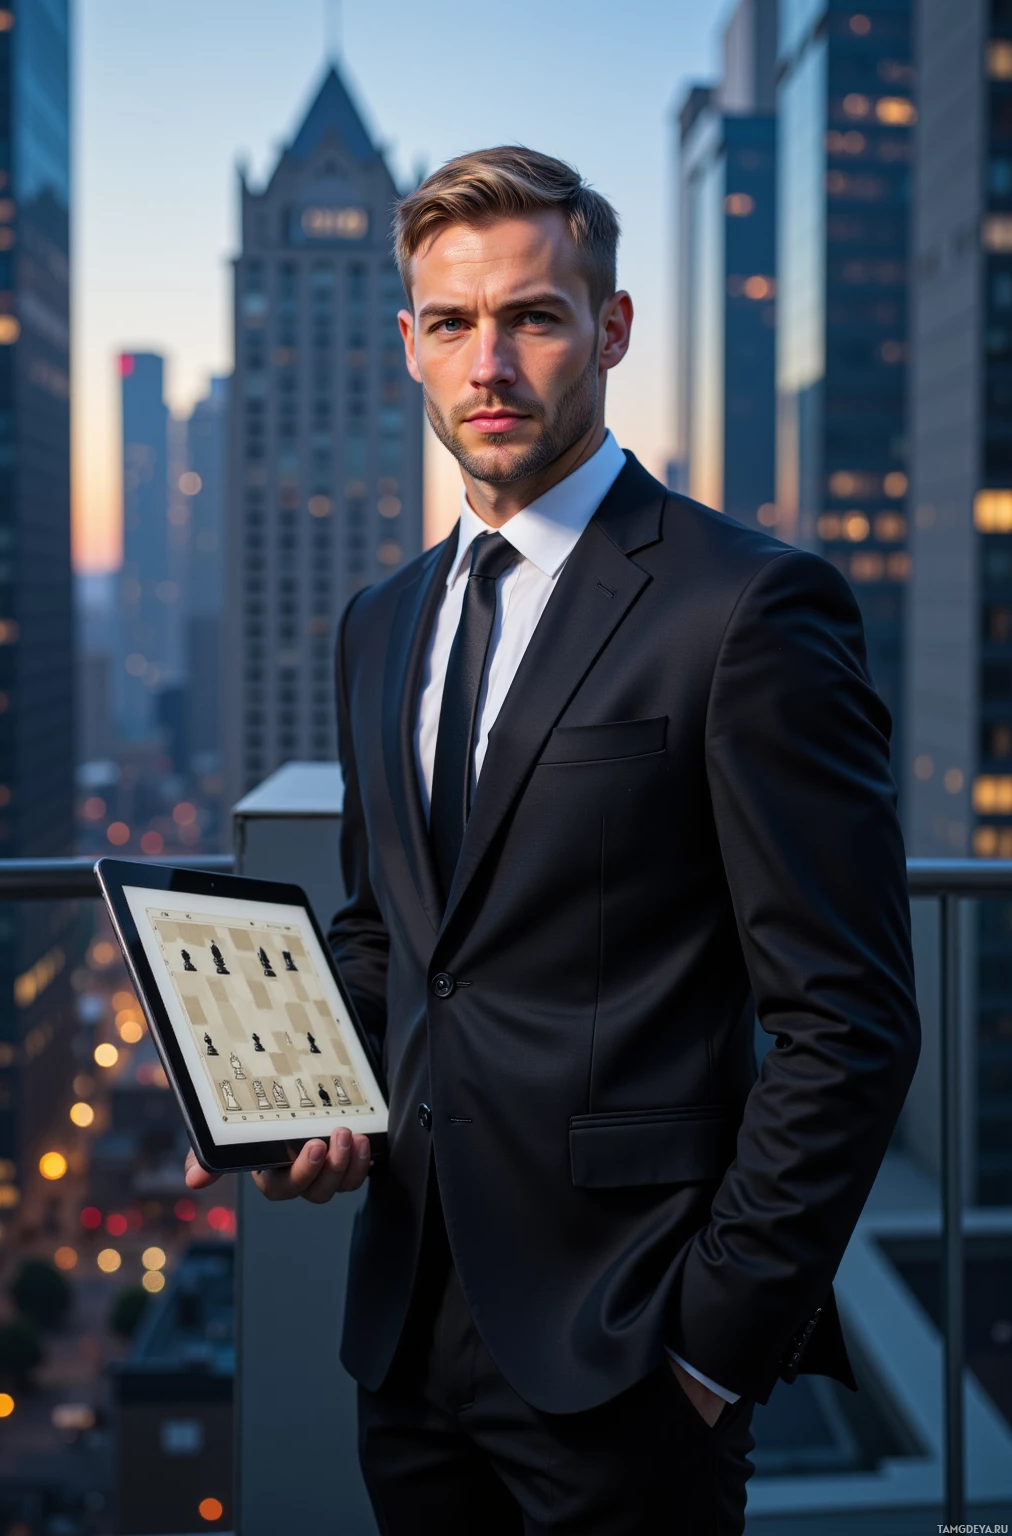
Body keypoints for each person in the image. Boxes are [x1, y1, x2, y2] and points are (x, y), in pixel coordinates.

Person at [187, 146, 921, 1534]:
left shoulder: (750, 608)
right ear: (408, 345)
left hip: (631, 1351)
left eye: (533, 316)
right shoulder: (380, 622)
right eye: (454, 324)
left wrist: (713, 1349)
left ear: (613, 328)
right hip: (405, 1335)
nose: (490, 364)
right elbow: (391, 937)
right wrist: (287, 1104)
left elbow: (851, 1020)